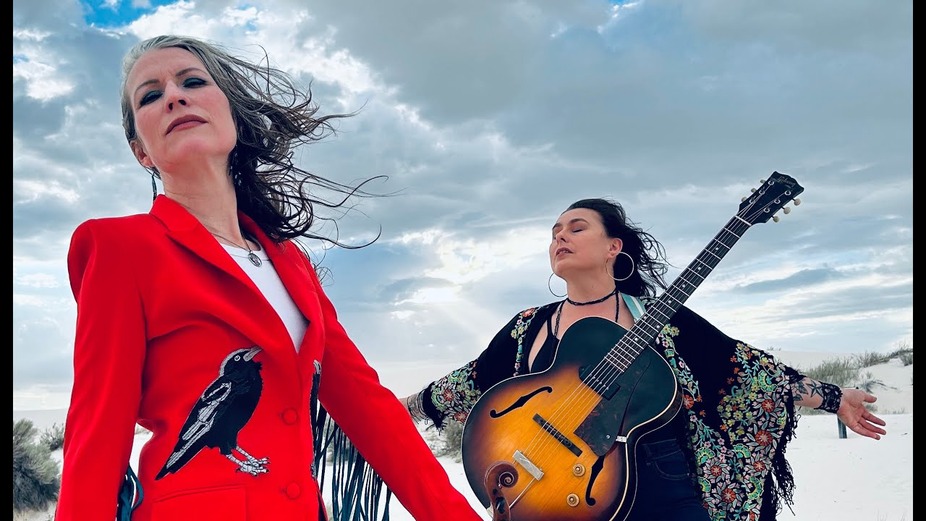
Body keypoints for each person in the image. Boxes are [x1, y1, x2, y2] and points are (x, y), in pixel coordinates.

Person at [55, 34, 484, 521]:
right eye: (150, 96)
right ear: (141, 152)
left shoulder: (290, 262)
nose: (173, 96)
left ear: (234, 117)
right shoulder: (118, 248)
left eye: (192, 82)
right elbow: (97, 433)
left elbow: (371, 411)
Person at [400, 197, 887, 521]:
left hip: (663, 482)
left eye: (576, 227)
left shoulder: (660, 318)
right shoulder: (531, 325)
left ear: (613, 247)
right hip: (553, 491)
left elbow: (743, 369)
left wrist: (833, 397)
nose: (560, 237)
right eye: (554, 232)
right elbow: (473, 381)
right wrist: (398, 409)